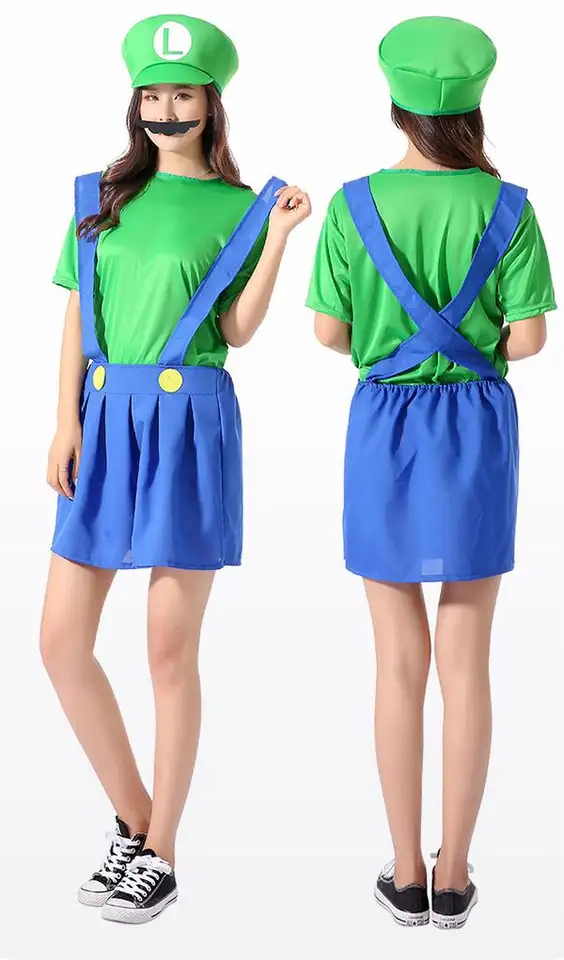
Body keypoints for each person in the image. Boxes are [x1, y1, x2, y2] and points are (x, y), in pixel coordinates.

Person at [41, 13, 310, 925]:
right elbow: (77, 313)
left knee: (166, 649)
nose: (164, 111)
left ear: (212, 102)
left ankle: (161, 852)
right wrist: (64, 421)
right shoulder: (98, 195)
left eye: (182, 94)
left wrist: (278, 239)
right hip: (104, 418)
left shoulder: (243, 207)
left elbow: (236, 330)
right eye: (151, 95)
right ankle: (134, 819)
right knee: (60, 642)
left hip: (191, 422)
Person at [306, 16, 555, 930]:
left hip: (384, 426)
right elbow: (528, 339)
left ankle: (406, 870)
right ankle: (455, 874)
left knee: (396, 661)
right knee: (468, 659)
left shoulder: (353, 204)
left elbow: (328, 331)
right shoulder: (509, 205)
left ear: (395, 104)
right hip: (477, 428)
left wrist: (393, 343)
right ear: (475, 106)